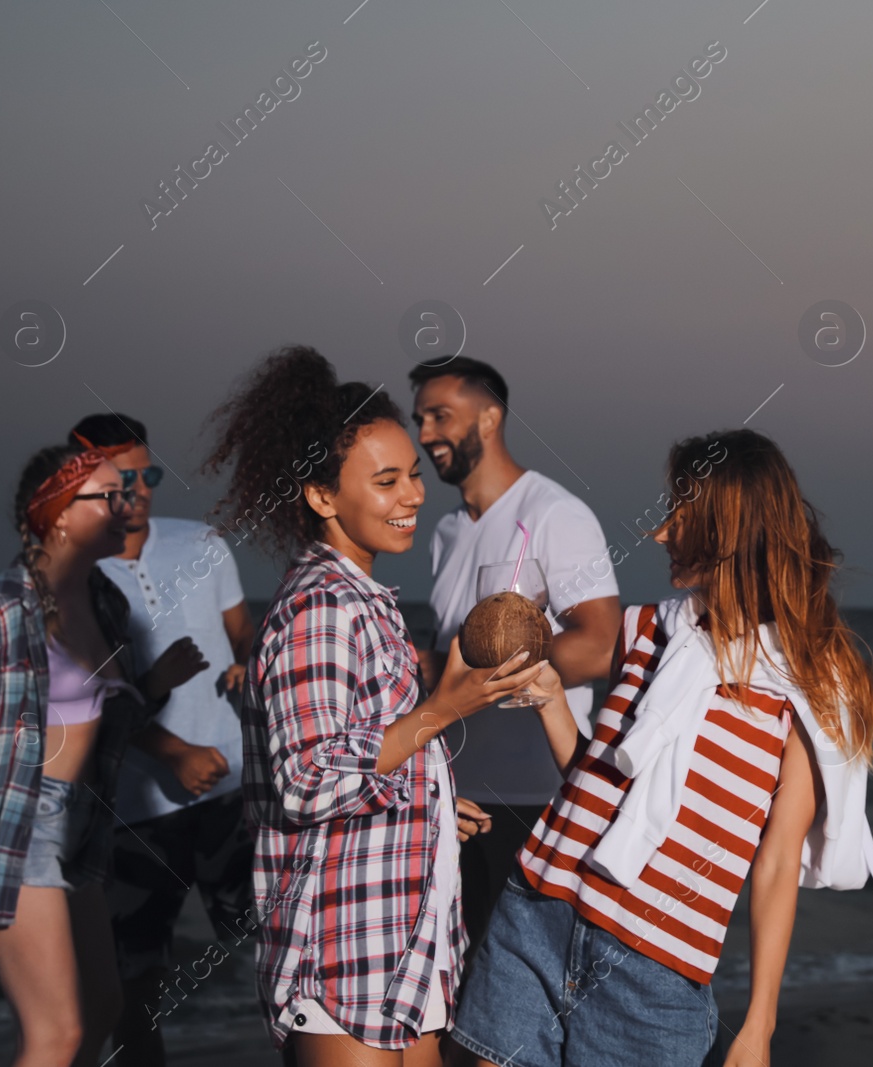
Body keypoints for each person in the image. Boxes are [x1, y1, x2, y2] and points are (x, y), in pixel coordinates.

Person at [449, 428, 873, 1067]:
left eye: (678, 513)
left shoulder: (809, 685)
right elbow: (599, 787)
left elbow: (775, 862)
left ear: (727, 525)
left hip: (655, 968)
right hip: (538, 912)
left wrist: (759, 1024)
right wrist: (550, 701)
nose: (659, 533)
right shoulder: (644, 629)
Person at [202, 346, 547, 1067]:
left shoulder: (370, 602)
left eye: (414, 475)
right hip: (342, 949)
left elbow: (361, 748)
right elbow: (306, 779)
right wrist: (440, 710)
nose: (413, 496)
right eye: (385, 481)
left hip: (406, 940)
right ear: (322, 497)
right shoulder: (320, 608)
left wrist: (430, 800)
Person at [0, 439, 207, 1067]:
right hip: (14, 821)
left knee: (105, 1006)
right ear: (57, 513)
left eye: (131, 490)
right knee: (55, 1033)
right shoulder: (8, 608)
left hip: (78, 824)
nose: (129, 503)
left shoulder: (106, 603)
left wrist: (153, 689)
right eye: (109, 495)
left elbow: (98, 721)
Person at [407, 357, 621, 954]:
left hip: (533, 800)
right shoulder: (446, 530)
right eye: (420, 419)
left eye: (441, 416)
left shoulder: (554, 514)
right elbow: (449, 651)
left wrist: (472, 673)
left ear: (491, 417)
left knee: (526, 1004)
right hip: (455, 800)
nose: (425, 435)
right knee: (460, 994)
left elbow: (601, 645)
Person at [64, 413, 258, 1067]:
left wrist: (249, 665)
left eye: (149, 473)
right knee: (134, 990)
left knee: (284, 954)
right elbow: (83, 700)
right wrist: (172, 750)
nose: (140, 489)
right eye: (122, 478)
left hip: (235, 790)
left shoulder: (203, 541)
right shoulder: (70, 580)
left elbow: (244, 635)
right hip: (135, 814)